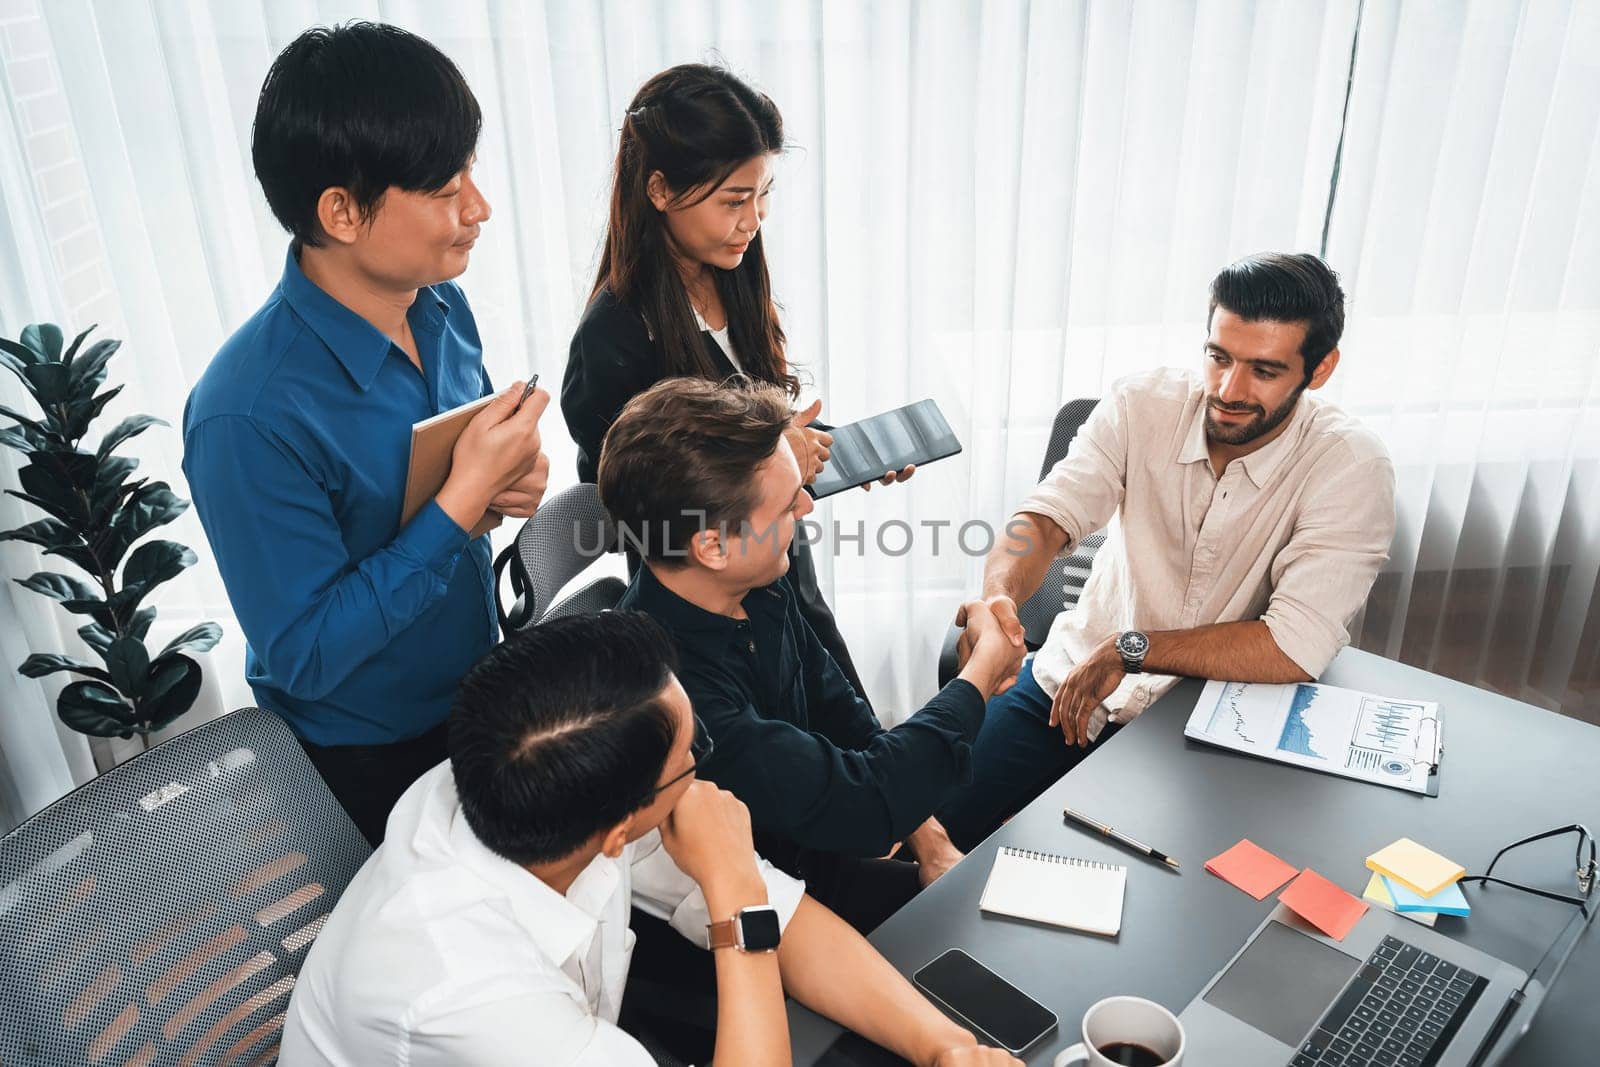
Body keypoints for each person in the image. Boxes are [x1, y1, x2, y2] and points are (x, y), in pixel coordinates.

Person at [279, 611, 1019, 1067]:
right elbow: (758, 915)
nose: (707, 778)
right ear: (617, 827)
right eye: (691, 760)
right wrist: (734, 885)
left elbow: (791, 923)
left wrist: (943, 1042)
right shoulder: (465, 988)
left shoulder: (539, 779)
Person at [182, 23, 549, 845]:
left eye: (472, 175)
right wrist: (459, 506)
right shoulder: (245, 415)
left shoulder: (440, 304)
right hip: (360, 761)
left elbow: (446, 494)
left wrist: (498, 490)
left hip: (473, 693)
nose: (479, 209)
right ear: (342, 212)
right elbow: (306, 654)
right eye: (446, 188)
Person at [937, 252, 1398, 850]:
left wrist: (1132, 650)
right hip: (1068, 683)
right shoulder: (1140, 405)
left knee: (1145, 900)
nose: (1229, 390)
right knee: (921, 829)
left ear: (1321, 367)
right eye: (1219, 357)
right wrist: (998, 597)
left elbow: (1294, 643)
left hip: (1210, 724)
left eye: (1263, 370)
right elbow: (1045, 517)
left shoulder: (1351, 466)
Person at [602, 377, 1027, 934]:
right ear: (712, 547)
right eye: (784, 504)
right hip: (755, 911)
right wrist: (981, 670)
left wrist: (931, 840)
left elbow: (842, 715)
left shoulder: (757, 586)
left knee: (985, 906)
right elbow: (864, 801)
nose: (805, 505)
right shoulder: (677, 693)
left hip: (814, 849)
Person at [561, 62, 910, 701]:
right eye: (734, 200)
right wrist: (779, 457)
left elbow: (750, 433)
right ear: (660, 190)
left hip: (780, 588)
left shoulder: (734, 274)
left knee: (853, 745)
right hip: (713, 627)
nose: (754, 220)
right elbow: (637, 512)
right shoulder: (613, 336)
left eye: (763, 194)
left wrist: (823, 447)